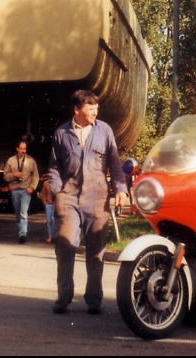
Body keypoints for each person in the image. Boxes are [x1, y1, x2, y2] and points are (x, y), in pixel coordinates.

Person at [47, 89, 127, 315]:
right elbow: (54, 168)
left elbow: (115, 164)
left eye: (97, 108)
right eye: (91, 109)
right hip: (69, 197)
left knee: (96, 252)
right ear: (77, 109)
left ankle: (93, 299)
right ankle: (63, 297)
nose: (95, 112)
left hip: (97, 199)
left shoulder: (104, 131)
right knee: (64, 246)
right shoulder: (61, 133)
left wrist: (120, 189)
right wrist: (57, 192)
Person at [3, 140, 39, 244]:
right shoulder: (10, 161)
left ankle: (23, 234)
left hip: (25, 190)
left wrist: (32, 187)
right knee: (18, 213)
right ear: (17, 149)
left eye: (25, 149)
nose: (23, 151)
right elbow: (5, 176)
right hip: (15, 190)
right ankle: (21, 229)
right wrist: (14, 175)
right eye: (21, 148)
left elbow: (36, 176)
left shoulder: (31, 161)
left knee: (23, 212)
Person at [39, 174, 55, 244]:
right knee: (49, 221)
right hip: (48, 204)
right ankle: (50, 236)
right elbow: (43, 193)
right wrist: (45, 202)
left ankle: (55, 236)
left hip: (56, 204)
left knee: (54, 219)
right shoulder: (46, 183)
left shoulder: (59, 183)